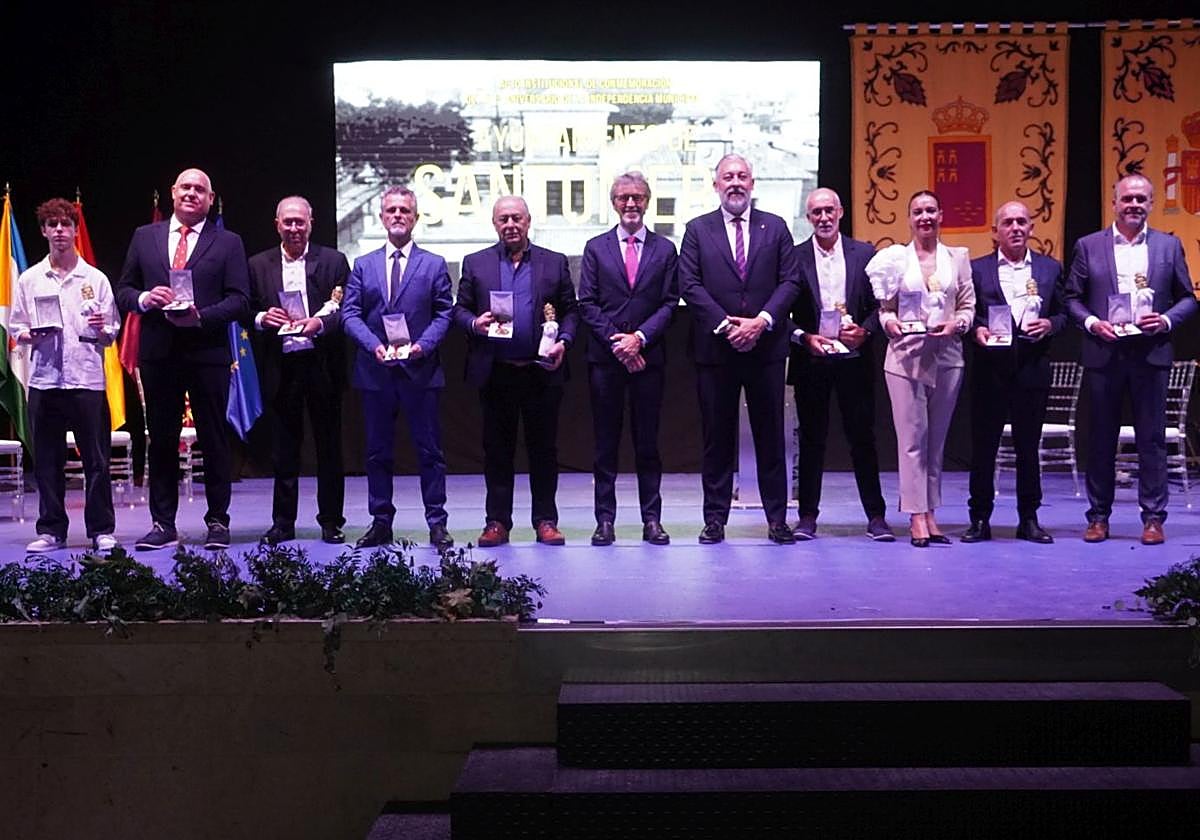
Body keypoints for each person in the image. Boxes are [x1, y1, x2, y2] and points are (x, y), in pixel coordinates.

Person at [116, 167, 250, 551]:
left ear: (210, 199)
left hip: (207, 353)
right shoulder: (145, 237)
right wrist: (145, 299)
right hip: (159, 354)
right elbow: (124, 289)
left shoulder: (228, 242)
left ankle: (218, 522)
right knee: (161, 440)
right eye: (185, 187)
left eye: (200, 189)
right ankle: (162, 523)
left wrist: (201, 316)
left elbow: (241, 300)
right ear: (173, 193)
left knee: (213, 439)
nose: (192, 193)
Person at [1064, 174, 1198, 545]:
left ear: (1151, 203)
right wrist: (1093, 323)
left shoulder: (1169, 246)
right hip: (1104, 352)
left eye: (1141, 199)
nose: (1134, 205)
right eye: (1128, 199)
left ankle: (1154, 518)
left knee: (1151, 440)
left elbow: (1188, 297)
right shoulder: (1088, 246)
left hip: (1150, 353)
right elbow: (1071, 298)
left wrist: (1167, 319)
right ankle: (1098, 518)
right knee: (1101, 439)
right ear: (1114, 203)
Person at [678, 153, 801, 544]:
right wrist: (726, 324)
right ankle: (715, 519)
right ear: (716, 185)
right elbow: (689, 283)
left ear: (752, 183)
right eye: (727, 177)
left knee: (770, 437)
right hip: (717, 349)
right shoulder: (698, 229)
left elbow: (790, 282)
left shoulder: (776, 227)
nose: (735, 182)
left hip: (765, 347)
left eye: (742, 176)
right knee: (717, 438)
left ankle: (777, 520)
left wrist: (761, 321)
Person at [453, 196, 578, 547]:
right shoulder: (475, 263)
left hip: (541, 371)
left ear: (528, 221)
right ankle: (497, 522)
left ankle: (546, 521)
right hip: (496, 372)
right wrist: (475, 323)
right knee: (497, 451)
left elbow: (571, 310)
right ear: (495, 224)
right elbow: (458, 310)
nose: (511, 224)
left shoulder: (553, 263)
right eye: (504, 219)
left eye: (517, 218)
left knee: (544, 451)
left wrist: (564, 341)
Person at [342, 187, 454, 551]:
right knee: (377, 453)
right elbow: (350, 314)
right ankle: (380, 523)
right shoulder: (363, 264)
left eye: (405, 210)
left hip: (420, 371)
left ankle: (437, 523)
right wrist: (373, 345)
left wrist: (423, 345)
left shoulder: (434, 264)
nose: (398, 215)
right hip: (376, 373)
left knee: (430, 453)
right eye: (391, 209)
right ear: (382, 216)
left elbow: (444, 312)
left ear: (416, 217)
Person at [12, 198, 121, 552]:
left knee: (97, 461)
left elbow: (112, 331)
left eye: (66, 224)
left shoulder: (96, 279)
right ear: (43, 231)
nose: (60, 230)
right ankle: (51, 530)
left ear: (75, 230)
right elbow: (17, 327)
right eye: (52, 224)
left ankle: (101, 529)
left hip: (86, 381)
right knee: (47, 461)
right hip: (45, 382)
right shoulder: (29, 280)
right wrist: (32, 335)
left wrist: (104, 326)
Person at [869, 190, 975, 547]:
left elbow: (968, 306)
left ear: (941, 214)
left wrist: (957, 325)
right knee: (912, 440)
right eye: (918, 212)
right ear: (910, 218)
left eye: (931, 210)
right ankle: (915, 514)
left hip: (947, 357)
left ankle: (932, 511)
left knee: (936, 441)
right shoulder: (895, 259)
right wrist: (889, 324)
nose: (925, 217)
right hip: (904, 357)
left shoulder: (957, 257)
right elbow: (884, 308)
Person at [578, 172, 678, 546]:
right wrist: (618, 343)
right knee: (605, 445)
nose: (631, 204)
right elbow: (586, 302)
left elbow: (670, 302)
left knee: (648, 444)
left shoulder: (665, 250)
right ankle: (605, 521)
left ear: (647, 201)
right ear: (614, 202)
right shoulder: (595, 247)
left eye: (637, 197)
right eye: (623, 198)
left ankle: (652, 520)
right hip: (606, 361)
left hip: (649, 359)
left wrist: (639, 339)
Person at [787, 187, 893, 542]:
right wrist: (804, 337)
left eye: (829, 210)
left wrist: (865, 330)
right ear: (808, 218)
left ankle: (876, 516)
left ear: (841, 212)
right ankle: (807, 517)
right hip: (812, 360)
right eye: (816, 212)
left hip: (855, 361)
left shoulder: (865, 254)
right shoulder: (793, 257)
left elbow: (884, 307)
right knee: (812, 440)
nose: (823, 218)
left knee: (862, 438)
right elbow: (779, 312)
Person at [248, 196, 349, 546]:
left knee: (329, 447)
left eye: (300, 222)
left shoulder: (334, 260)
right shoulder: (257, 264)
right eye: (287, 222)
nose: (294, 228)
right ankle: (283, 522)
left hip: (322, 364)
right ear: (277, 223)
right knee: (284, 449)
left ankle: (332, 520)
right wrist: (263, 319)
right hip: (281, 366)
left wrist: (318, 322)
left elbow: (342, 306)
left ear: (311, 223)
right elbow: (245, 308)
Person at [963, 200, 1065, 544]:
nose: (1016, 228)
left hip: (1032, 368)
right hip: (989, 369)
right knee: (983, 447)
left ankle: (1029, 518)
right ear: (996, 231)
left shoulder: (1051, 269)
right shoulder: (976, 269)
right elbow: (967, 313)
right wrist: (976, 330)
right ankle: (979, 518)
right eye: (1008, 222)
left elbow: (1065, 313)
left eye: (1022, 221)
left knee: (1027, 446)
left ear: (1032, 228)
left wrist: (1050, 324)